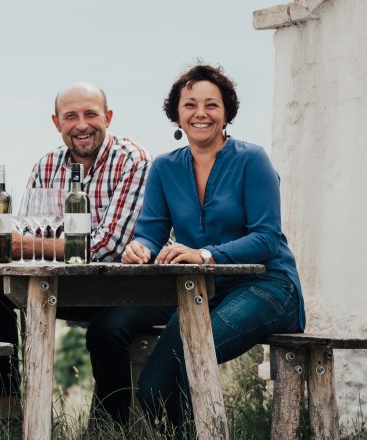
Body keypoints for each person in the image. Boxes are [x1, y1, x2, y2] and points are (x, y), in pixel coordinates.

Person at [122, 64, 305, 437]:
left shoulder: (252, 160)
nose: (200, 113)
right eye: (190, 105)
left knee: (194, 360)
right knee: (153, 388)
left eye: (211, 105)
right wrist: (138, 248)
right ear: (177, 113)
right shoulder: (164, 167)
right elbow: (150, 231)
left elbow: (267, 238)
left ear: (226, 113)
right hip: (203, 294)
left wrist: (205, 255)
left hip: (268, 287)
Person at [0, 83, 164, 426]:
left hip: (126, 287)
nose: (81, 124)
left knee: (107, 331)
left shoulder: (134, 161)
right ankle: (7, 412)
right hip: (65, 284)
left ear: (107, 117)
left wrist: (24, 244)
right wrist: (8, 242)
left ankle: (109, 427)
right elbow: (30, 230)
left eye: (90, 114)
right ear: (56, 122)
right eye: (70, 116)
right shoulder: (47, 165)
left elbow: (109, 247)